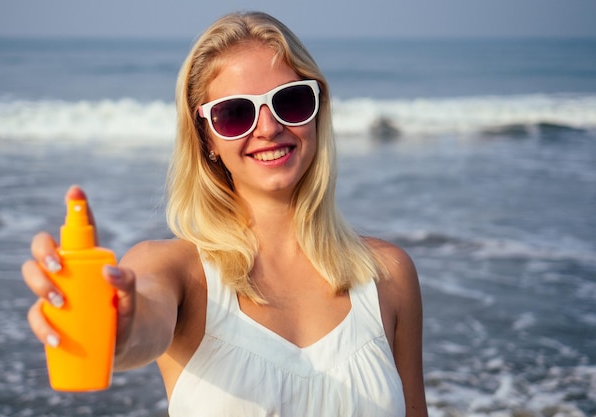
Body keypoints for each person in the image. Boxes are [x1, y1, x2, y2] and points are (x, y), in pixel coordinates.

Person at [22, 11, 428, 417]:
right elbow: (139, 330)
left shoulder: (388, 275)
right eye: (235, 113)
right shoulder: (175, 271)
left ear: (317, 110)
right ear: (207, 138)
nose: (268, 127)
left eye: (291, 100)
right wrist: (110, 326)